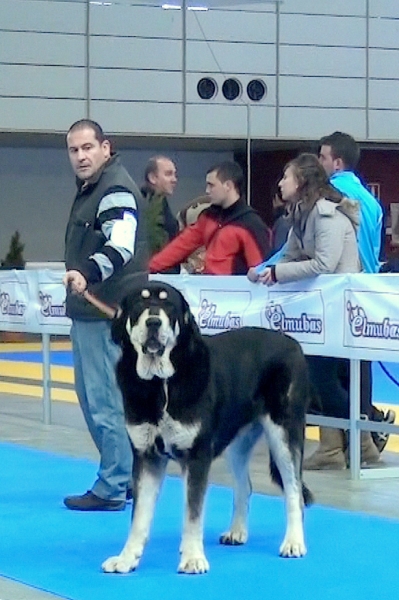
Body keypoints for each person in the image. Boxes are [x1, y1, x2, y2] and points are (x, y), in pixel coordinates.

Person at [247, 153, 381, 470]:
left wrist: (278, 274)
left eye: (286, 177)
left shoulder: (325, 214)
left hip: (340, 309)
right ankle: (339, 446)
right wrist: (263, 269)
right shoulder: (303, 213)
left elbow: (325, 263)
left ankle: (362, 441)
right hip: (324, 310)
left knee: (323, 376)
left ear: (302, 182)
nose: (280, 183)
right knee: (319, 376)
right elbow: (291, 253)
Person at [63, 119, 148, 510]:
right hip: (93, 311)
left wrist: (88, 272)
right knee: (95, 398)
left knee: (104, 402)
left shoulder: (113, 189)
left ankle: (114, 484)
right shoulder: (94, 189)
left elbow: (121, 247)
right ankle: (124, 477)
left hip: (104, 312)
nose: (80, 156)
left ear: (105, 148)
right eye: (73, 150)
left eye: (87, 148)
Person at [318, 131, 396, 455]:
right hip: (366, 286)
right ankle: (364, 429)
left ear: (336, 162)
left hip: (338, 287)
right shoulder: (372, 201)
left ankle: (355, 435)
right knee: (358, 363)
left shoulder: (332, 194)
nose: (319, 163)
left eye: (322, 157)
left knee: (326, 367)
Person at [149, 161, 271, 275]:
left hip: (236, 294)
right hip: (210, 290)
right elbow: (180, 246)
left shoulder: (251, 225)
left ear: (228, 185)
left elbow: (260, 270)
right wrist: (148, 269)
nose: (207, 191)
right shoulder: (208, 216)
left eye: (211, 185)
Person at [141, 155, 179, 272]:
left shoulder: (160, 203)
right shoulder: (145, 206)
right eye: (168, 174)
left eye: (174, 174)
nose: (174, 179)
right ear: (153, 178)